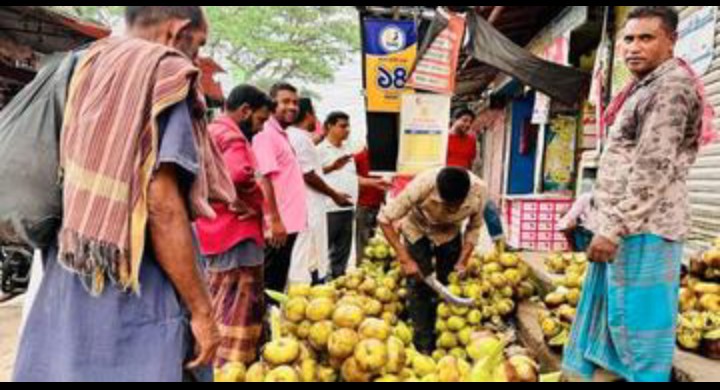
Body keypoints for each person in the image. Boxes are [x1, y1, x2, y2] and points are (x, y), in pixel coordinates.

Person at [14, 6, 235, 382]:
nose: (194, 58)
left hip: (69, 271)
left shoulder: (76, 66)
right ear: (177, 30)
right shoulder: (164, 72)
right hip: (138, 286)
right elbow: (161, 203)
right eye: (197, 47)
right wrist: (202, 312)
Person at [563, 6, 711, 383]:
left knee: (640, 332)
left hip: (644, 227)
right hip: (627, 224)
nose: (633, 47)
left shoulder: (671, 87)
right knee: (618, 324)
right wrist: (592, 207)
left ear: (671, 41)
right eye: (628, 38)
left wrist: (613, 228)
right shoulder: (645, 86)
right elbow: (624, 159)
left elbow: (652, 167)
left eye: (646, 38)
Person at [195, 85, 272, 368]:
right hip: (235, 235)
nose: (261, 128)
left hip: (212, 233)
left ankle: (216, 366)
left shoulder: (211, 130)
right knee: (238, 310)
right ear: (245, 111)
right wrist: (251, 202)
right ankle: (230, 368)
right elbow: (239, 174)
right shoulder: (233, 136)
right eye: (260, 120)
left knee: (218, 304)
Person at [378, 167, 487, 353]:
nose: (451, 209)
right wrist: (405, 259)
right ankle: (423, 342)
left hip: (449, 233)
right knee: (419, 283)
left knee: (448, 282)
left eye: (456, 205)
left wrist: (463, 260)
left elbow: (474, 228)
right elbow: (384, 219)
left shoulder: (479, 191)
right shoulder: (422, 185)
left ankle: (442, 336)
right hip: (417, 228)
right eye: (447, 205)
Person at [287, 98, 352, 286]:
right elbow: (308, 175)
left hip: (309, 207)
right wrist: (334, 194)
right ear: (309, 114)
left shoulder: (297, 137)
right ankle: (304, 293)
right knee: (308, 256)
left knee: (311, 255)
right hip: (310, 208)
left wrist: (331, 167)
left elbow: (310, 171)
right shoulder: (300, 138)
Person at [252, 82, 308, 294]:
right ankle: (266, 326)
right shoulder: (266, 133)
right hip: (278, 227)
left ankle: (270, 323)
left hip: (288, 224)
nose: (292, 107)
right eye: (285, 102)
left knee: (277, 282)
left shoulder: (282, 135)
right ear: (272, 103)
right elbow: (263, 177)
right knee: (269, 285)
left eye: (295, 102)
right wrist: (274, 220)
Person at [319, 112, 358, 279]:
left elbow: (351, 177)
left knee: (342, 254)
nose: (347, 130)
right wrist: (332, 167)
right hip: (328, 209)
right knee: (321, 253)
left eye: (348, 126)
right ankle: (317, 287)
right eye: (342, 126)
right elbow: (308, 176)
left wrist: (374, 183)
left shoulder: (347, 151)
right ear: (329, 126)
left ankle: (338, 283)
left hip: (348, 208)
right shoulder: (319, 151)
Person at [354, 146, 390, 263]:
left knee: (373, 239)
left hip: (377, 204)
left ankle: (370, 264)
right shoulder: (358, 157)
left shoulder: (379, 158)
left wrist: (383, 198)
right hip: (363, 204)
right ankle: (362, 265)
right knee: (364, 239)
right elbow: (352, 178)